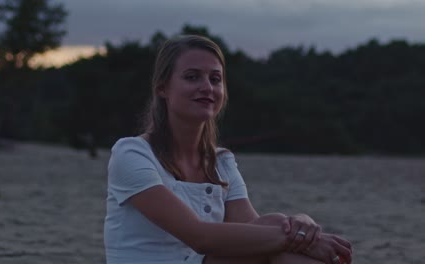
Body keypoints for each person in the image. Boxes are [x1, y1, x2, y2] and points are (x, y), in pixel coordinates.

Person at [104, 35, 352, 264]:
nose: (207, 87)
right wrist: (303, 238)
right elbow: (199, 237)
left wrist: (302, 223)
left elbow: (253, 230)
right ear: (162, 88)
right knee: (278, 239)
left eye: (215, 79)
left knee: (275, 227)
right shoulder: (132, 154)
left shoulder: (220, 161)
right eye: (192, 77)